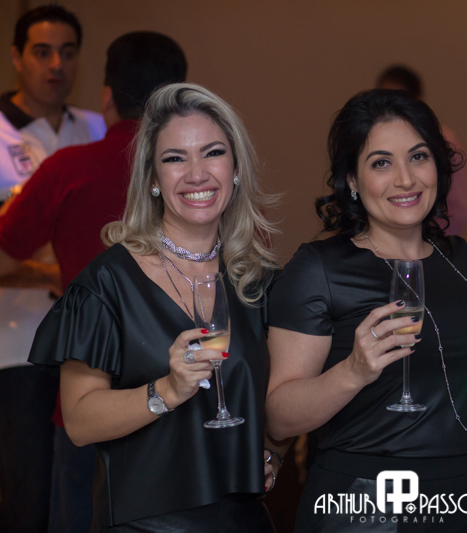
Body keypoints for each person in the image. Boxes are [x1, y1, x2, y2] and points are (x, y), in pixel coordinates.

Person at [28, 83, 284, 532]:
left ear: (236, 168)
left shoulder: (257, 282)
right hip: (145, 524)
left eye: (213, 153)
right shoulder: (107, 284)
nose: (197, 174)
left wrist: (273, 453)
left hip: (242, 521)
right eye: (174, 159)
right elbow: (80, 421)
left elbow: (279, 400)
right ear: (151, 178)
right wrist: (166, 390)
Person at [267, 89, 467, 532]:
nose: (405, 179)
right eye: (381, 163)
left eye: (418, 157)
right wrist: (353, 371)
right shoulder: (320, 270)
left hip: (464, 499)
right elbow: (280, 417)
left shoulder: (466, 263)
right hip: (364, 506)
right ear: (352, 181)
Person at [0, 31, 187, 533]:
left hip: (90, 387)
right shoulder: (199, 176)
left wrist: (53, 271)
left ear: (106, 97)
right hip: (182, 384)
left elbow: (5, 250)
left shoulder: (67, 170)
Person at [0, 6, 104, 531]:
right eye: (42, 52)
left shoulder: (95, 128)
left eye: (67, 52)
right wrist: (56, 274)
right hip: (18, 343)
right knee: (29, 490)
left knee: (82, 496)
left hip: (91, 345)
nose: (56, 64)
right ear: (17, 57)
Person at [377, 65, 467, 236]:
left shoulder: (443, 142)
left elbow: (459, 212)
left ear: (418, 101)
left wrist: (423, 239)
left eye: (418, 157)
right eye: (382, 162)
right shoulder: (373, 142)